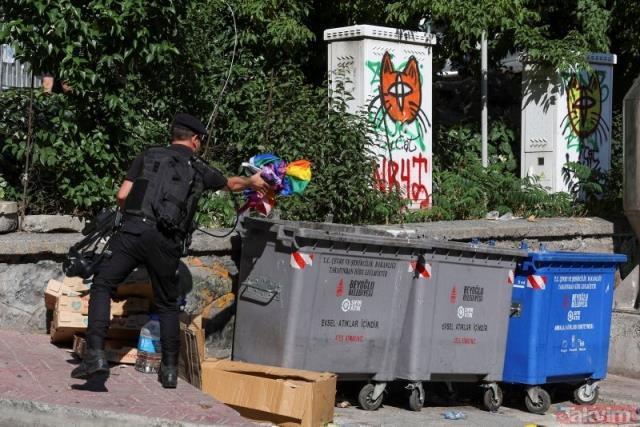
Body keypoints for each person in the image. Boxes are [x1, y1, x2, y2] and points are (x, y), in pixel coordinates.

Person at [71, 113, 268, 388]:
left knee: (103, 284)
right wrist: (251, 182)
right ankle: (170, 370)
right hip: (167, 241)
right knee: (166, 303)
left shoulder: (148, 155)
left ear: (173, 134)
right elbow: (230, 184)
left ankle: (94, 355)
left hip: (133, 232)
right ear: (196, 140)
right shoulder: (200, 168)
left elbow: (122, 195)